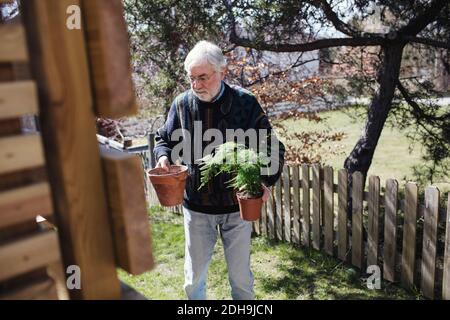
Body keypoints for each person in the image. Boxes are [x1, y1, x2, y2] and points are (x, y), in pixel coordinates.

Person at [153, 40, 285, 300]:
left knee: (241, 280)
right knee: (193, 281)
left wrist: (265, 181)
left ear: (222, 72)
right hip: (196, 208)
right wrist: (162, 157)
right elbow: (163, 139)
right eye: (192, 78)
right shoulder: (181, 105)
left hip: (237, 209)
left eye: (203, 77)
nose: (196, 85)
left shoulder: (245, 103)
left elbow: (272, 146)